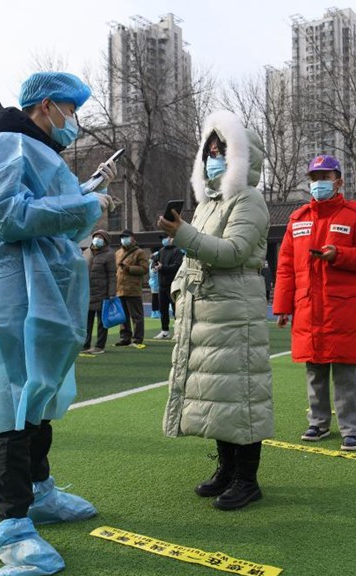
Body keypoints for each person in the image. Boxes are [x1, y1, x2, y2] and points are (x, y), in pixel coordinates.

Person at [0, 72, 118, 576]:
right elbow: (8, 214)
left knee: (38, 398)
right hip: (14, 292)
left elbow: (44, 207)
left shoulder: (36, 149)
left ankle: (39, 492)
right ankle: (13, 528)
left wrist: (84, 191)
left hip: (41, 287)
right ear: (46, 105)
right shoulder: (7, 143)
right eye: (72, 110)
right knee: (14, 407)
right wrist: (86, 203)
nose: (76, 123)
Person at [159, 110, 272, 510]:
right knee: (217, 395)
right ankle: (226, 469)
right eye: (208, 152)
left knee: (241, 393)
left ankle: (247, 478)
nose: (213, 159)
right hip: (206, 309)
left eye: (221, 151)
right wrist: (177, 291)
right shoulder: (208, 203)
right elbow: (193, 256)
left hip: (234, 309)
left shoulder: (249, 199)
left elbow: (234, 252)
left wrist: (182, 234)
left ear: (242, 156)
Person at [273, 154, 356, 451]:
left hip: (343, 309)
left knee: (345, 372)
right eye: (314, 178)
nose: (319, 183)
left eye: (325, 177)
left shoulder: (355, 217)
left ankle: (352, 429)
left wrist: (340, 255)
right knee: (315, 370)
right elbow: (285, 266)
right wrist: (283, 306)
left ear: (339, 181)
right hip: (309, 308)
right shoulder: (297, 220)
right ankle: (318, 423)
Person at [83, 230, 116, 354]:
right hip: (88, 292)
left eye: (100, 237)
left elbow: (112, 275)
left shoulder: (109, 255)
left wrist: (112, 293)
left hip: (103, 293)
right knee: (87, 322)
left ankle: (99, 346)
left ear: (105, 241)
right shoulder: (87, 252)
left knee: (102, 322)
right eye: (96, 237)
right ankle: (85, 344)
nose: (97, 239)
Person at [114, 229, 149, 347]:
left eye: (126, 237)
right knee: (122, 316)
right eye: (122, 237)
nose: (124, 239)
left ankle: (137, 338)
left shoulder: (140, 252)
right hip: (120, 289)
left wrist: (129, 268)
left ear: (133, 238)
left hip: (133, 289)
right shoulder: (118, 253)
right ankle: (125, 337)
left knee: (136, 316)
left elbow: (144, 269)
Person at [153, 234, 184, 339]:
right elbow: (154, 262)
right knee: (163, 309)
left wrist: (163, 268)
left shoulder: (177, 251)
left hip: (173, 285)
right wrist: (155, 267)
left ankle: (178, 331)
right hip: (162, 285)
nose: (164, 240)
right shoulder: (161, 251)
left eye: (165, 237)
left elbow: (177, 266)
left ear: (172, 238)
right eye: (162, 238)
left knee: (176, 309)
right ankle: (165, 331)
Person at [149, 248, 161, 319]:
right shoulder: (153, 264)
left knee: (157, 298)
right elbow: (154, 272)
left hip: (156, 283)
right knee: (155, 298)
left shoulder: (153, 263)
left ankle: (156, 311)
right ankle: (155, 312)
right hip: (155, 283)